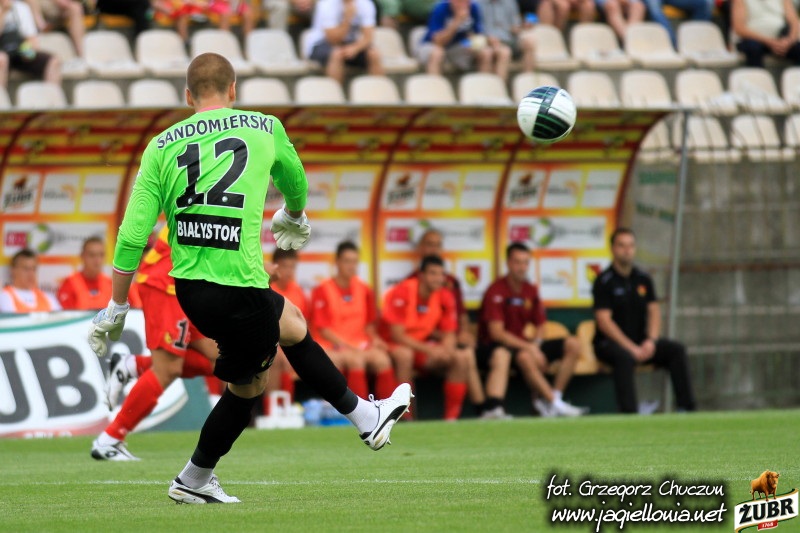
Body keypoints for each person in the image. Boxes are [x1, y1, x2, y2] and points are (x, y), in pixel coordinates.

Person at [87, 53, 412, 504]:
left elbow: (132, 234)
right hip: (239, 287)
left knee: (292, 322)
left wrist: (117, 304)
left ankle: (363, 417)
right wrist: (293, 214)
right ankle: (194, 478)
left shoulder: (160, 145)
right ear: (234, 90)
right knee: (248, 387)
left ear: (188, 96)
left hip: (191, 293)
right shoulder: (264, 127)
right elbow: (295, 179)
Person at [91, 226, 219, 461]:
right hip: (167, 283)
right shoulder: (216, 204)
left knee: (217, 359)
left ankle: (134, 365)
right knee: (167, 369)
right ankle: (109, 439)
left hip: (188, 284)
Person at [592, 228, 696, 414]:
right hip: (610, 344)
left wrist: (651, 341)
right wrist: (631, 347)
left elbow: (654, 311)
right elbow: (604, 321)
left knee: (676, 350)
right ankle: (630, 413)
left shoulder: (643, 278)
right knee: (624, 357)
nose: (627, 250)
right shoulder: (603, 281)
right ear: (613, 249)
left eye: (631, 245)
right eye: (622, 246)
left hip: (641, 342)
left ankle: (686, 408)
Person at [477, 242, 584, 419]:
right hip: (497, 347)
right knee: (524, 356)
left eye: (525, 262)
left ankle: (555, 397)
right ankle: (554, 404)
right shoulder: (495, 290)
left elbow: (541, 324)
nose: (521, 267)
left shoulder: (530, 289)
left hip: (524, 346)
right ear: (508, 263)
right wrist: (530, 348)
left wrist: (537, 344)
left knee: (573, 344)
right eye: (517, 262)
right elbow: (497, 333)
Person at [382, 255, 483, 421]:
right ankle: (406, 417)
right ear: (421, 275)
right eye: (433, 273)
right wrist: (430, 350)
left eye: (441, 274)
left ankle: (451, 419)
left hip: (421, 346)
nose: (438, 278)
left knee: (461, 357)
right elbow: (397, 335)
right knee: (404, 355)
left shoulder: (445, 295)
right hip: (393, 344)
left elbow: (449, 333)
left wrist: (446, 350)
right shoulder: (404, 290)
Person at [309, 240, 397, 400]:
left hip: (359, 344)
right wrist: (348, 347)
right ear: (337, 262)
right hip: (331, 345)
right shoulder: (322, 290)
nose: (351, 266)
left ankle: (389, 409)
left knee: (383, 360)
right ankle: (359, 411)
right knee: (355, 361)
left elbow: (369, 325)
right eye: (347, 261)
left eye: (355, 262)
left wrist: (375, 339)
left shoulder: (364, 289)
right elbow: (323, 330)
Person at [417, 0, 511, 80]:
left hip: (459, 45)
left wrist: (487, 40)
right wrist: (457, 21)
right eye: (459, 1)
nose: (463, 4)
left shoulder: (473, 7)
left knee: (486, 52)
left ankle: (490, 89)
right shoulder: (440, 8)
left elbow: (478, 34)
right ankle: (434, 90)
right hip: (433, 45)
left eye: (466, 1)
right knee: (437, 53)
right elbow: (438, 42)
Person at [304, 0, 383, 84]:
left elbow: (368, 37)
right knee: (337, 53)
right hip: (320, 43)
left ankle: (378, 89)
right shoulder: (326, 4)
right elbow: (333, 39)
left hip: (350, 44)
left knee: (373, 53)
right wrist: (347, 18)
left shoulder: (366, 4)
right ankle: (334, 91)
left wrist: (355, 48)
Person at [0, 0, 61, 89]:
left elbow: (31, 39)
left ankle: (50, 96)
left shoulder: (21, 8)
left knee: (53, 61)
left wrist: (28, 52)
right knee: (2, 59)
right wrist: (4, 12)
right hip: (2, 52)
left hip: (18, 52)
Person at [730, 0, 800, 67]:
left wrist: (789, 41)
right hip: (752, 40)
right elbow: (739, 28)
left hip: (780, 39)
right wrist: (770, 42)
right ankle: (756, 75)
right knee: (753, 48)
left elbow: (794, 22)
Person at [478, 0, 535, 74]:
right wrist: (487, 37)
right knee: (504, 52)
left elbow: (515, 25)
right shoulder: (478, 3)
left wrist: (521, 27)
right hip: (488, 40)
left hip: (508, 38)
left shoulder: (510, 2)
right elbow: (477, 27)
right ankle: (498, 81)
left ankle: (527, 77)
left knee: (530, 42)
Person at [57, 237, 112, 310]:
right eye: (92, 255)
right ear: (82, 256)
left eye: (101, 255)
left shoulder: (110, 284)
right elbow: (66, 315)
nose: (97, 260)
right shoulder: (70, 284)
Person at [0, 248, 61, 313]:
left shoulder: (48, 298)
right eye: (26, 269)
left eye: (34, 269)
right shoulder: (3, 297)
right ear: (13, 270)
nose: (31, 274)